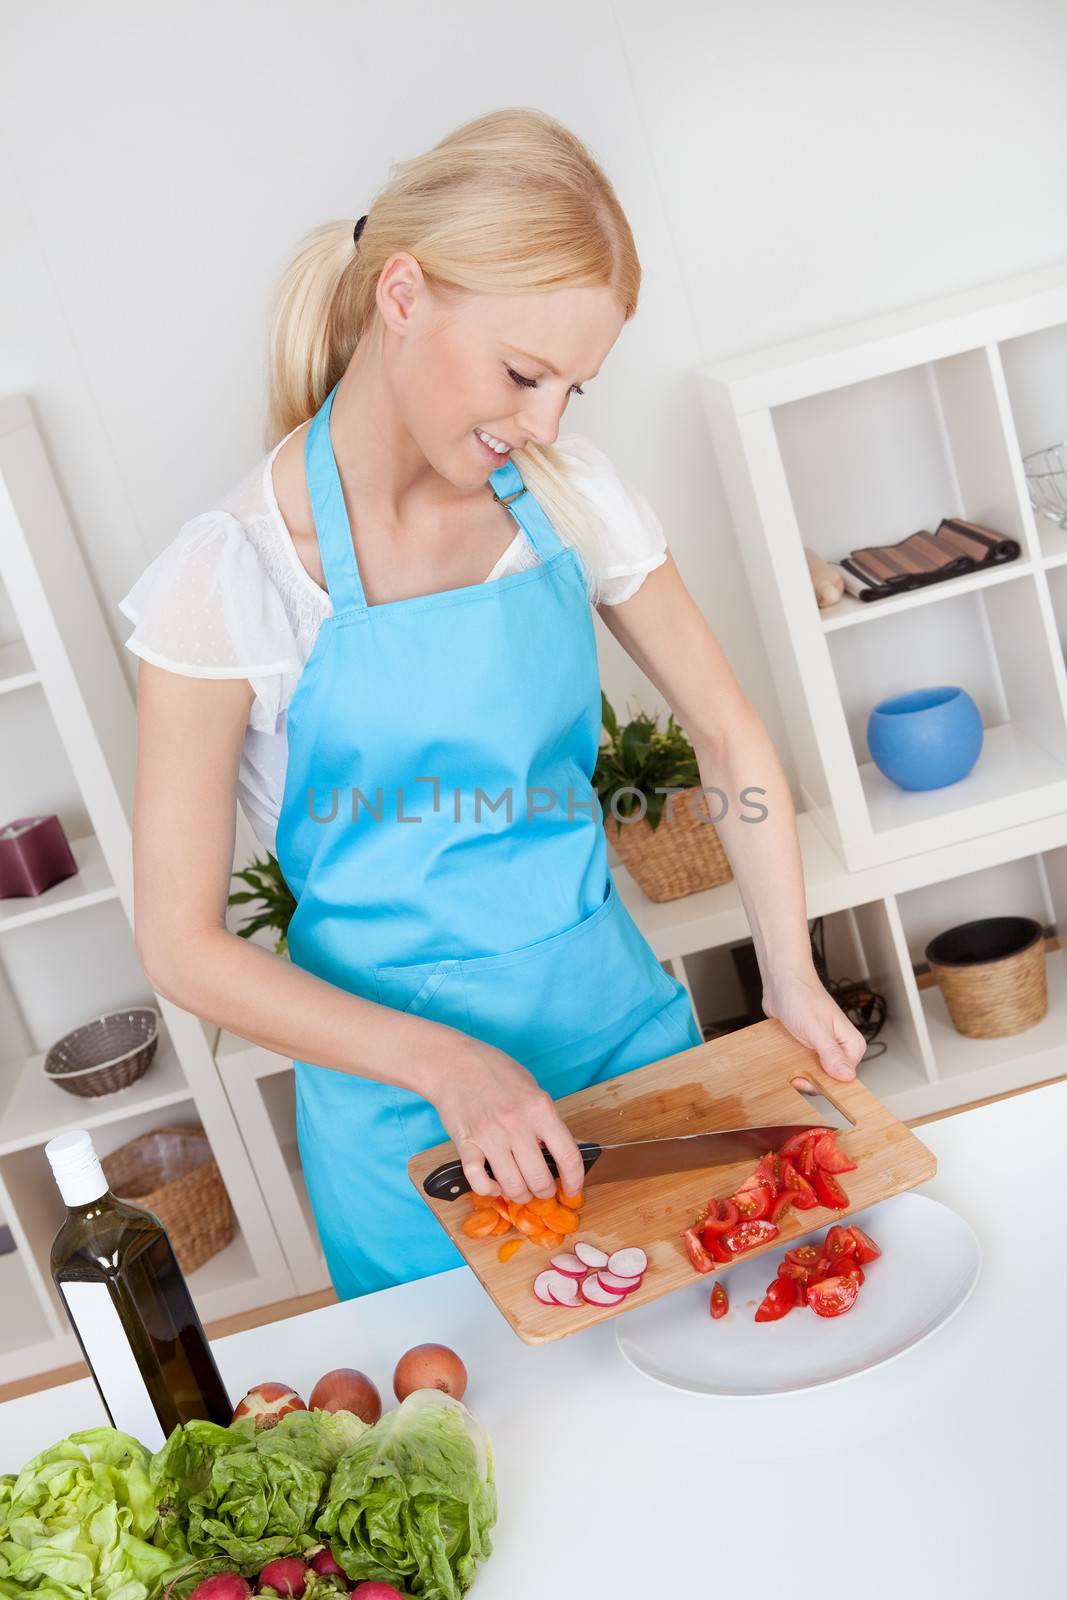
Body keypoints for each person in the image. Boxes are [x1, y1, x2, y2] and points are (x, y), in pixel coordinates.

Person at [121, 107, 866, 1301]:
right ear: (402, 295)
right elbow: (181, 944)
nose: (546, 423)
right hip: (409, 1128)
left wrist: (788, 971)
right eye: (524, 374)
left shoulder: (570, 500)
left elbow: (729, 735)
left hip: (628, 1054)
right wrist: (448, 1066)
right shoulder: (230, 580)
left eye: (573, 388)